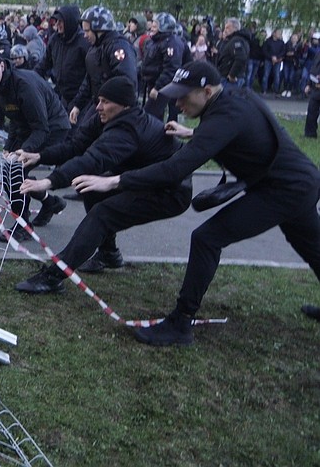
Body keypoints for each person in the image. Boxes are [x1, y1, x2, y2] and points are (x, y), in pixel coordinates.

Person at [73, 61, 320, 345]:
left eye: (183, 95)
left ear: (206, 90)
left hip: (285, 190)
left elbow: (174, 170)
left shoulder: (224, 117)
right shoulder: (235, 98)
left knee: (207, 238)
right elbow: (246, 129)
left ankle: (180, 323)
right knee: (311, 246)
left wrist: (114, 181)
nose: (177, 102)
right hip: (301, 180)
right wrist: (193, 133)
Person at [13, 76, 192, 291]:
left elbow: (93, 159)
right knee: (90, 189)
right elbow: (75, 146)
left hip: (170, 191)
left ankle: (54, 276)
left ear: (125, 105)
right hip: (142, 179)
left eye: (105, 102)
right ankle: (108, 253)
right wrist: (40, 156)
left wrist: (49, 181)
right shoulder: (107, 118)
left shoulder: (127, 130)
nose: (98, 107)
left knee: (103, 214)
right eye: (98, 100)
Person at [0, 50, 71, 237]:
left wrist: (23, 151)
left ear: (1, 65)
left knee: (14, 170)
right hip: (29, 128)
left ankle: (23, 226)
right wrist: (9, 146)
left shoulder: (24, 85)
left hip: (52, 129)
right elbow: (15, 119)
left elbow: (42, 128)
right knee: (10, 169)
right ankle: (50, 203)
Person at [68, 6, 137, 126]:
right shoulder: (95, 48)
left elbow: (126, 81)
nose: (85, 35)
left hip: (115, 109)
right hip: (100, 104)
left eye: (87, 31)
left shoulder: (118, 47)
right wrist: (77, 105)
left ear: (99, 30)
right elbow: (90, 80)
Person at [214, 17, 250, 91]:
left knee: (226, 101)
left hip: (229, 80)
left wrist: (232, 75)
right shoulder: (237, 40)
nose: (225, 30)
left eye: (227, 28)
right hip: (228, 76)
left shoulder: (237, 40)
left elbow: (241, 58)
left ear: (235, 28)